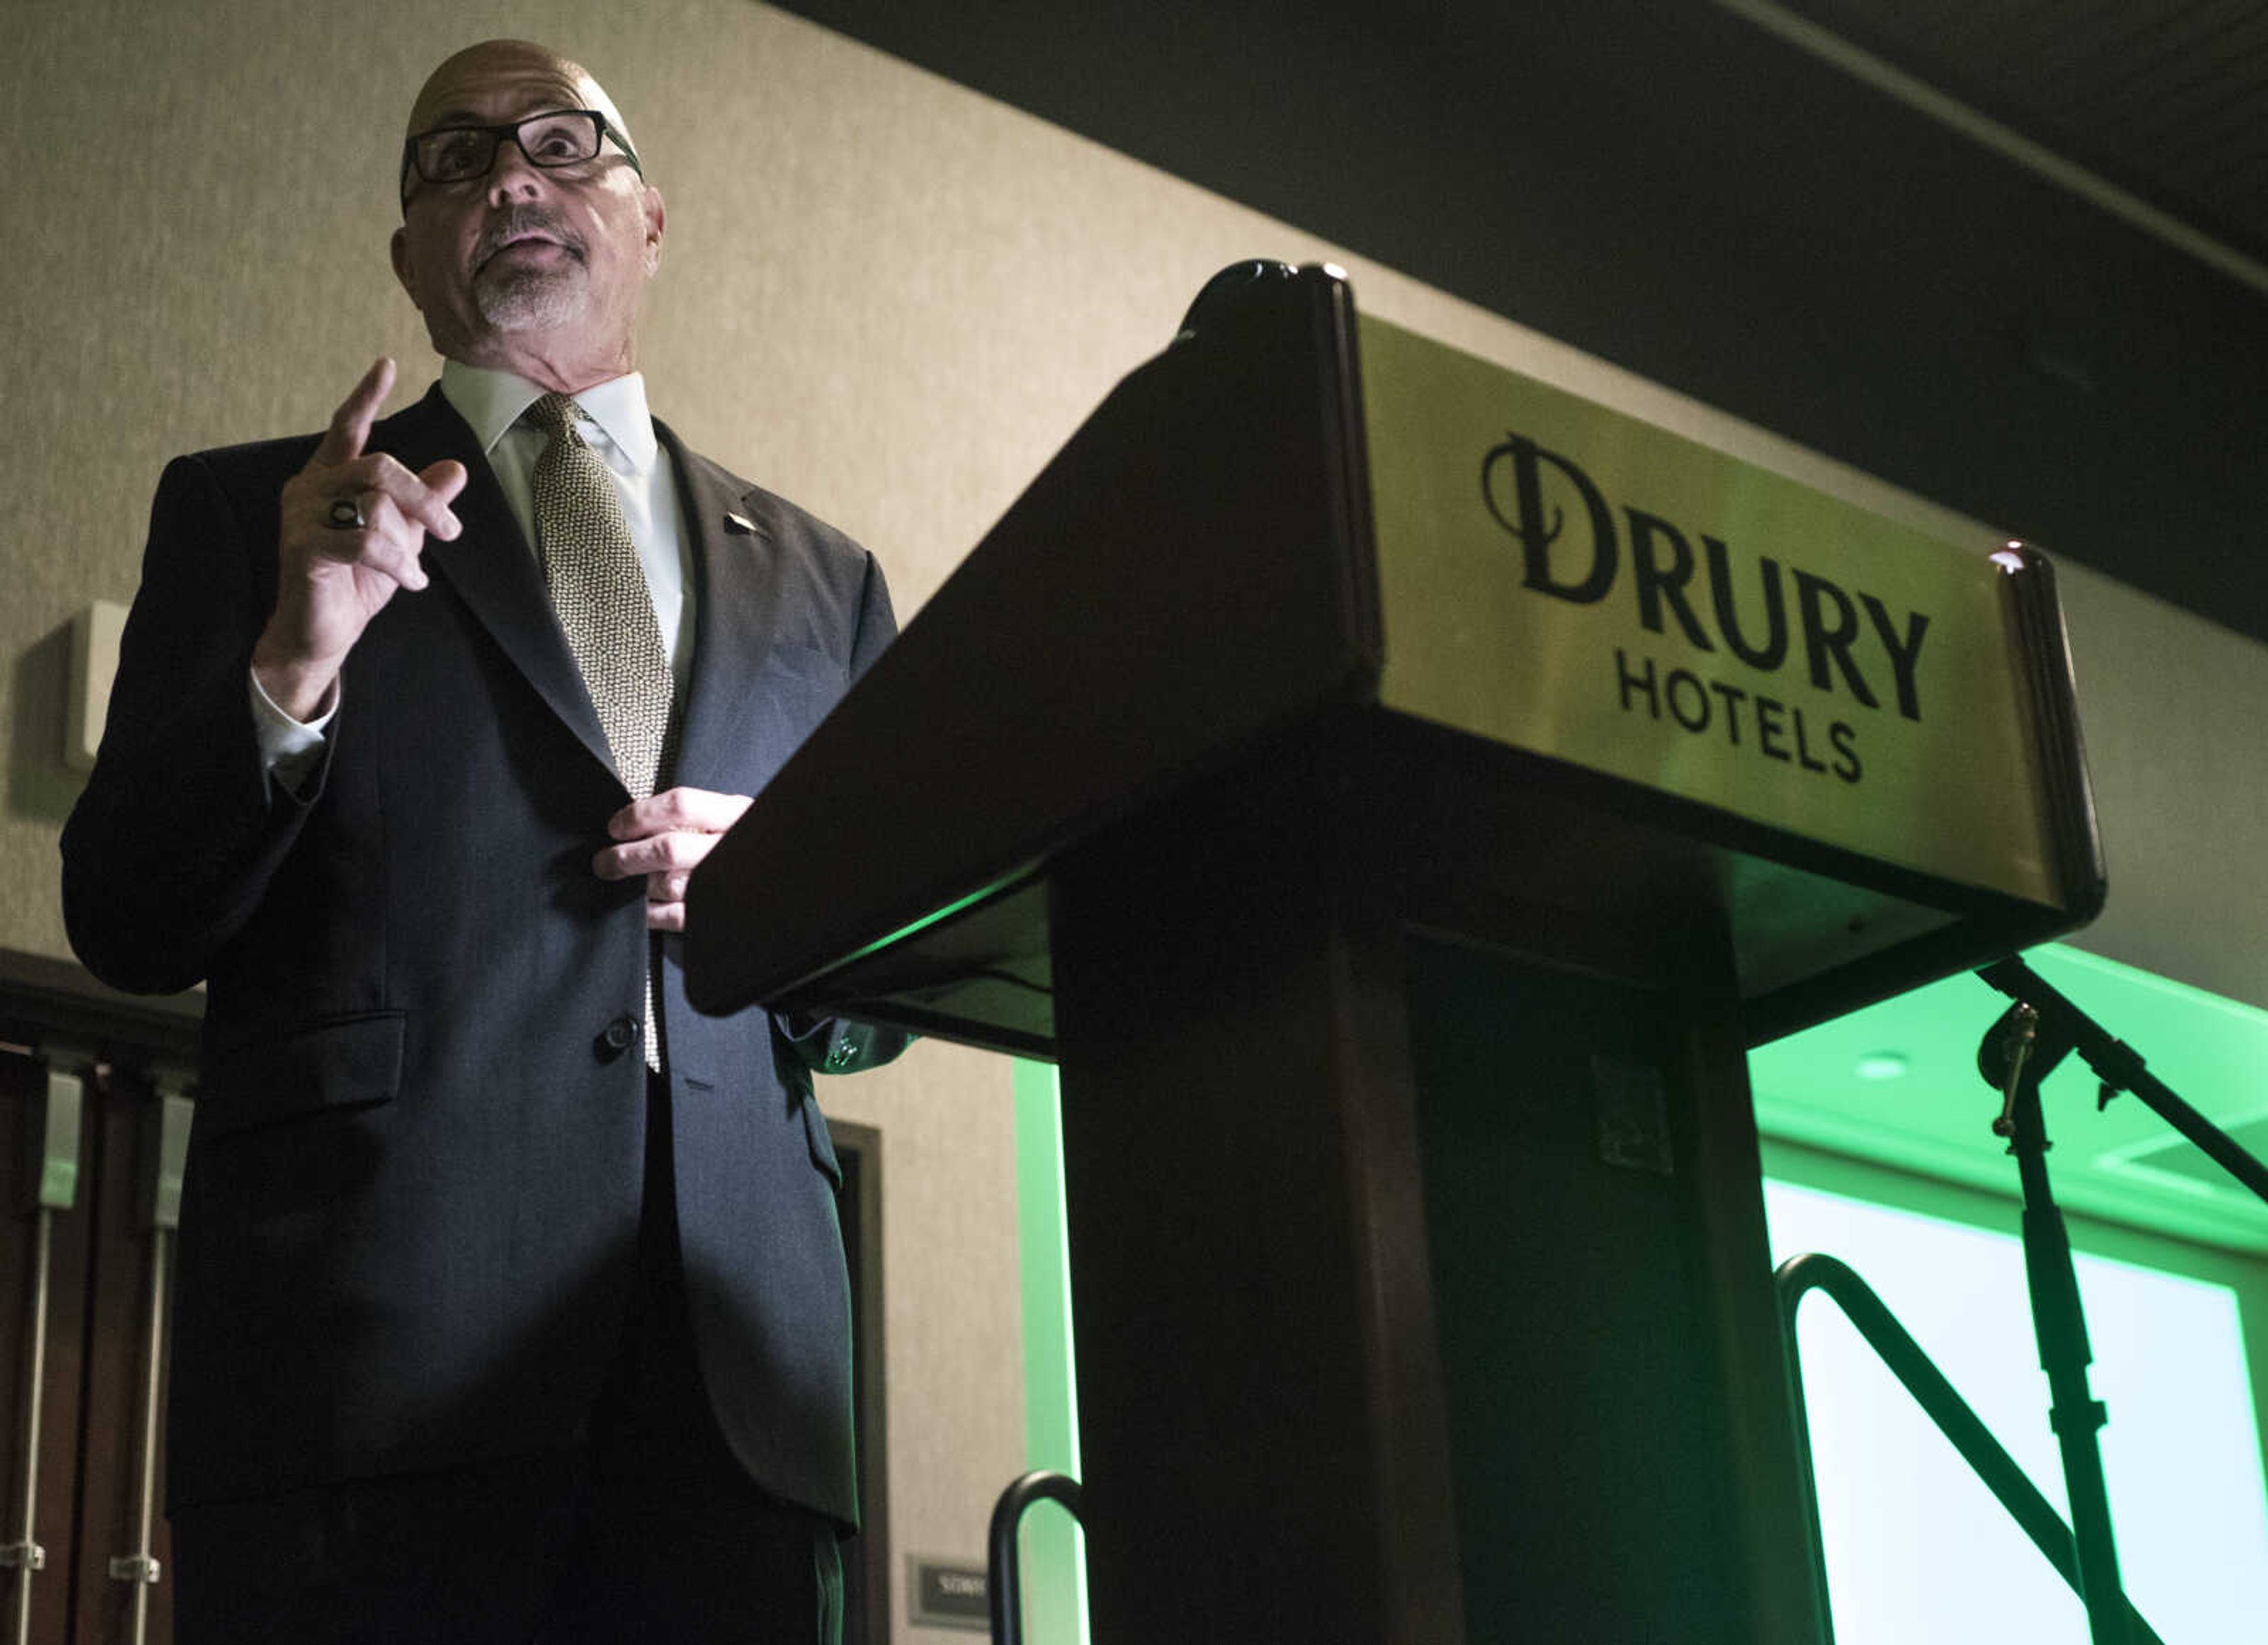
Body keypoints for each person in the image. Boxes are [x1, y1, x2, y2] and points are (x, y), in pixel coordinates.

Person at [61, 38, 905, 1645]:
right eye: (454, 159)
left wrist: (790, 896)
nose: (511, 176)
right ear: (408, 257)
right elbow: (125, 915)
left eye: (560, 143)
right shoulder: (260, 514)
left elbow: (878, 1003)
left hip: (743, 1393)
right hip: (369, 1378)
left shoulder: (824, 579)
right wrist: (292, 662)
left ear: (651, 216)